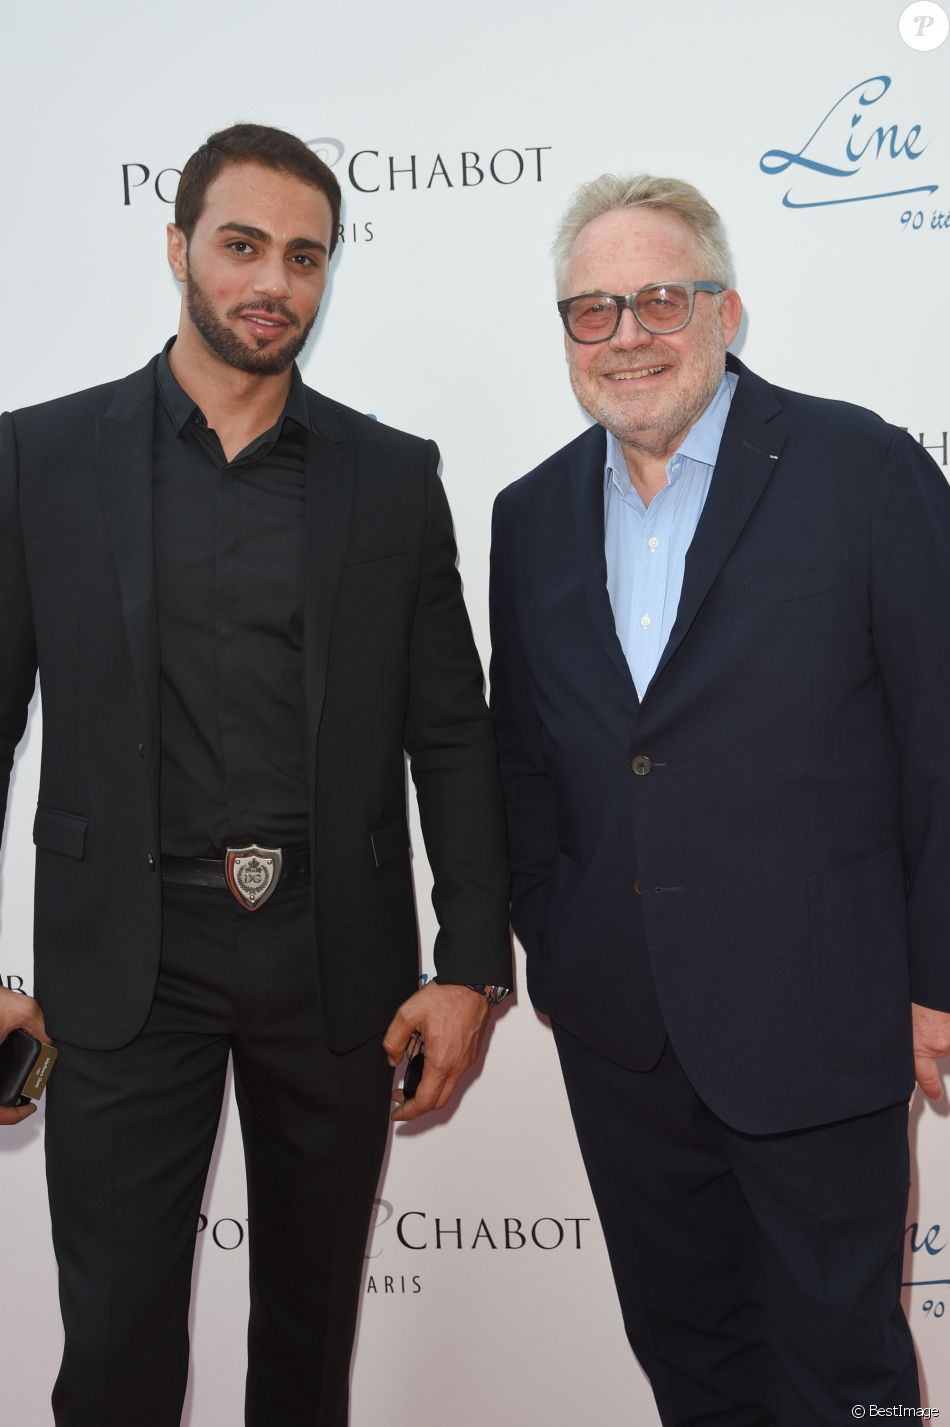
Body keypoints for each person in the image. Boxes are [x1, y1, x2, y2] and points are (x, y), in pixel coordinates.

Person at [0, 122, 510, 1427]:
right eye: (241, 245)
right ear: (177, 249)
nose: (272, 281)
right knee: (112, 1349)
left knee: (307, 1343)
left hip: (331, 963)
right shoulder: (37, 461)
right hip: (126, 962)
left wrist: (466, 966)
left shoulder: (391, 479)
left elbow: (450, 729)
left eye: (303, 255)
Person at [489, 172, 950, 1425]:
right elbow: (523, 761)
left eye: (656, 299)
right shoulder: (525, 515)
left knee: (842, 1372)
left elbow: (937, 736)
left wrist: (936, 977)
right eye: (591, 309)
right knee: (690, 1363)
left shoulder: (861, 466)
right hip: (621, 1034)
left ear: (725, 309)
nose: (624, 333)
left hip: (820, 1013)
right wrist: (562, 932)